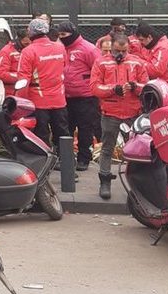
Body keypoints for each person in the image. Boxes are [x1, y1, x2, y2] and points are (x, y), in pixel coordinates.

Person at [90, 35, 149, 199]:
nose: (120, 54)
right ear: (111, 48)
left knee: (136, 151)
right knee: (107, 148)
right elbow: (94, 87)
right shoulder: (101, 62)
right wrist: (112, 89)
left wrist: (135, 87)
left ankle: (138, 184)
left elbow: (146, 85)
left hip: (132, 112)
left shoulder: (136, 62)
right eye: (117, 51)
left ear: (129, 48)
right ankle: (105, 181)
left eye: (124, 51)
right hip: (110, 112)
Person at [16, 18, 69, 154]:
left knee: (41, 135)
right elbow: (65, 67)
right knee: (62, 133)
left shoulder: (28, 51)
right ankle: (67, 164)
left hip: (38, 100)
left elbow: (23, 80)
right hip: (59, 99)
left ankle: (45, 163)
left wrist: (19, 104)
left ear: (31, 32)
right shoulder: (60, 47)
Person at [58, 21, 100, 171]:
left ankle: (84, 159)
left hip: (86, 97)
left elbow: (98, 69)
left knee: (85, 129)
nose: (61, 37)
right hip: (66, 96)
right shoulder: (60, 48)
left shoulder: (88, 49)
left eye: (64, 34)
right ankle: (66, 159)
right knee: (65, 129)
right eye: (60, 35)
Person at [0, 28, 29, 96]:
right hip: (13, 92)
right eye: (26, 43)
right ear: (19, 40)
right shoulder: (6, 51)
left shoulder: (30, 51)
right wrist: (23, 78)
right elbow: (2, 73)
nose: (28, 45)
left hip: (29, 91)